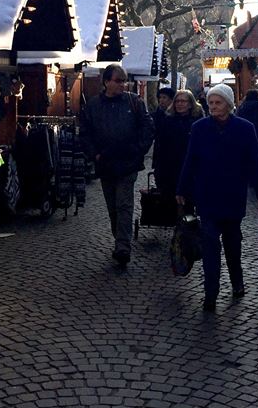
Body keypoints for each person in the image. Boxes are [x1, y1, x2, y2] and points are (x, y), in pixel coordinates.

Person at [177, 84, 258, 312]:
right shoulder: (199, 128)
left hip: (233, 194)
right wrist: (182, 188)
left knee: (232, 242)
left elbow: (255, 161)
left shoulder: (245, 128)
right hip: (207, 195)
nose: (213, 107)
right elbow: (191, 159)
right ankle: (211, 293)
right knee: (209, 244)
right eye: (210, 103)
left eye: (218, 103)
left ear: (228, 104)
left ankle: (237, 281)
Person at [79, 64, 155, 266]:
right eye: (119, 81)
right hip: (105, 163)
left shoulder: (134, 102)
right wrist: (94, 154)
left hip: (127, 164)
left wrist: (138, 150)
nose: (123, 84)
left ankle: (123, 246)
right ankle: (119, 239)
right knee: (113, 207)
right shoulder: (93, 106)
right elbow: (85, 132)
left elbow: (148, 127)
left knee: (124, 204)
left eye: (124, 81)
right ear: (107, 82)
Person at [153, 89, 203, 205]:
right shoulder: (167, 121)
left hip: (189, 169)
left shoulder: (198, 123)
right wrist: (157, 167)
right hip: (169, 170)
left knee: (188, 205)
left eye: (183, 101)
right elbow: (160, 145)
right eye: (177, 101)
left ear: (191, 104)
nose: (180, 104)